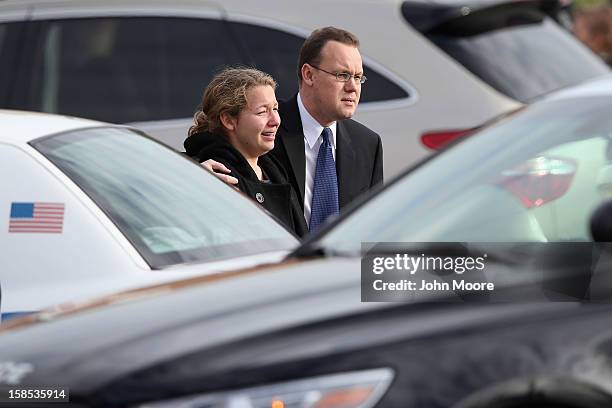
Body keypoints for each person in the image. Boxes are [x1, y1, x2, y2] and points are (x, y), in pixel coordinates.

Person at [184, 67, 308, 237]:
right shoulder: (215, 174)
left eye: (276, 109)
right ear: (228, 120)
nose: (276, 121)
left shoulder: (274, 168)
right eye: (262, 112)